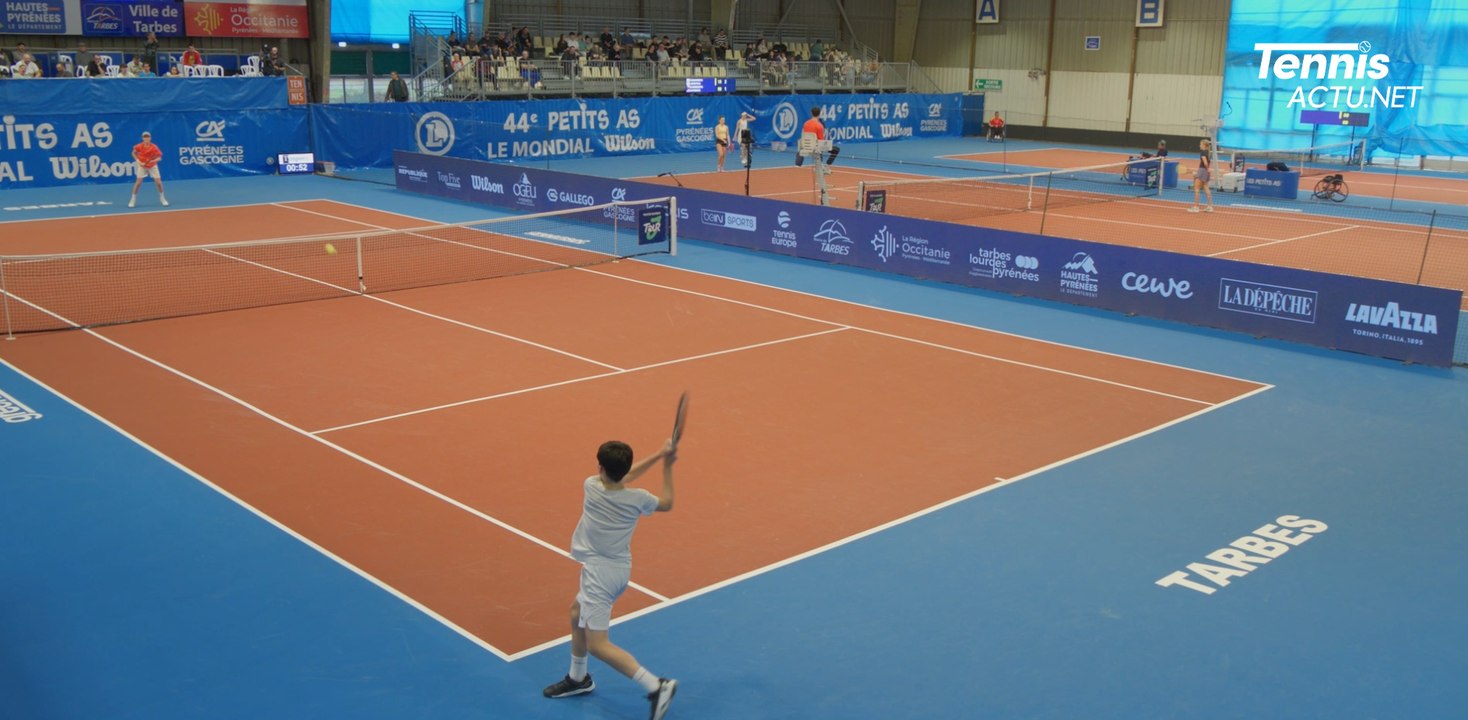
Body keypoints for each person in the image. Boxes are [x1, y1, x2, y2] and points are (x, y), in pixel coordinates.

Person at [542, 439, 679, 720]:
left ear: (600, 467)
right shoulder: (639, 498)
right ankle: (578, 678)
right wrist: (665, 463)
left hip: (599, 578)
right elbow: (666, 502)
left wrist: (657, 455)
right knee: (576, 613)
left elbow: (620, 476)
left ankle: (656, 686)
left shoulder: (591, 486)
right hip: (618, 570)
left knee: (598, 644)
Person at [129, 131, 168, 208]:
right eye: (145, 137)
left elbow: (159, 158)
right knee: (138, 183)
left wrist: (152, 161)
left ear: (150, 138)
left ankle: (162, 198)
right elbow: (133, 153)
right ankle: (132, 199)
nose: (146, 138)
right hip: (142, 166)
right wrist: (138, 161)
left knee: (159, 183)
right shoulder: (139, 146)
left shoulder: (154, 147)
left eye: (148, 137)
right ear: (142, 138)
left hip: (152, 166)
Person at [1188, 138, 1214, 213]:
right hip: (1205, 171)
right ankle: (1210, 206)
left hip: (1203, 170)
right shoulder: (1208, 153)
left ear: (1203, 145)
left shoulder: (1203, 152)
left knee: (1196, 189)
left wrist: (1205, 169)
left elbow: (1205, 163)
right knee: (1206, 188)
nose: (1199, 145)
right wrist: (1208, 170)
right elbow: (1207, 163)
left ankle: (1196, 207)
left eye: (1200, 144)